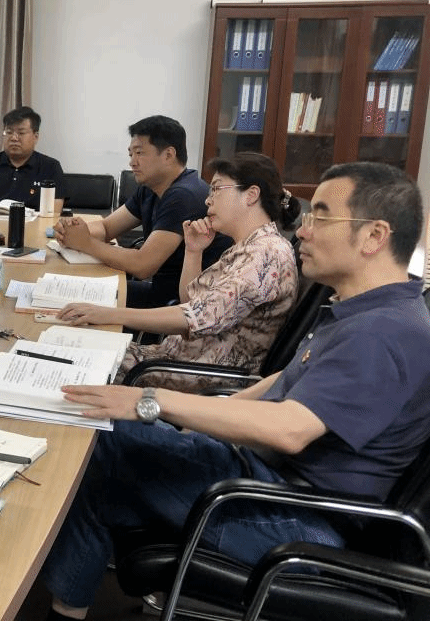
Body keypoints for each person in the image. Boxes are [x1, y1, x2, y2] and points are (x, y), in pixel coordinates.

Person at [38, 161, 430, 621]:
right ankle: (67, 608)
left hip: (299, 519)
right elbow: (282, 379)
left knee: (100, 443)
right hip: (269, 482)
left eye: (321, 217)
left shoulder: (383, 333)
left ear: (374, 236)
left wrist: (153, 402)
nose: (303, 230)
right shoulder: (365, 309)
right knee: (101, 454)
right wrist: (190, 423)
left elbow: (290, 430)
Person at [57, 152, 299, 391]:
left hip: (199, 374)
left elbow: (193, 317)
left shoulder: (266, 254)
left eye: (216, 189)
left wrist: (108, 314)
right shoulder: (248, 247)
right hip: (176, 359)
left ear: (251, 195)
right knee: (72, 342)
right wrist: (193, 251)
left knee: (74, 358)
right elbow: (192, 302)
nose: (208, 200)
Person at [55, 115, 232, 308]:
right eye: (130, 154)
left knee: (80, 296)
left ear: (168, 155)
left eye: (139, 153)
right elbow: (106, 227)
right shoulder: (151, 187)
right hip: (162, 290)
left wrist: (86, 243)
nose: (132, 162)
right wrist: (71, 231)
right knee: (75, 288)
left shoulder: (184, 195)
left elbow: (143, 265)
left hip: (180, 303)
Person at [0, 106, 67, 211]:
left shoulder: (50, 168)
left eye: (21, 133)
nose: (14, 138)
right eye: (9, 132)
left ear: (36, 137)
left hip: (32, 223)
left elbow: (53, 214)